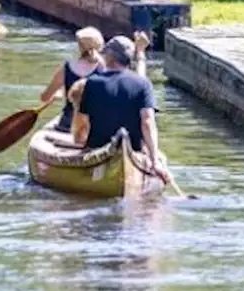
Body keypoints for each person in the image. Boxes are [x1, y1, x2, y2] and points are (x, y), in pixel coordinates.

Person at [67, 33, 169, 183]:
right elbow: (147, 122)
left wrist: (80, 146)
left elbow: (82, 124)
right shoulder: (143, 84)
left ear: (110, 56)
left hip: (97, 149)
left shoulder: (92, 83)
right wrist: (154, 161)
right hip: (134, 150)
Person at [38, 27, 106, 141]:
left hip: (67, 124)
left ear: (79, 46)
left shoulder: (67, 67)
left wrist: (59, 93)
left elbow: (45, 97)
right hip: (94, 127)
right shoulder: (103, 68)